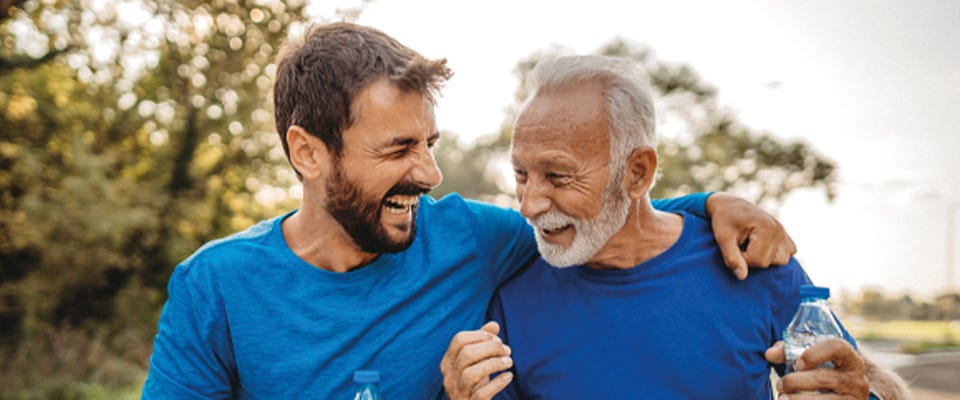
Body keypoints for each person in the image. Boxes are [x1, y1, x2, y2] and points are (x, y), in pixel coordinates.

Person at [141, 23, 798, 399]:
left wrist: (712, 207)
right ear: (308, 153)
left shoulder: (474, 239)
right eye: (398, 149)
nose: (427, 173)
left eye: (429, 145)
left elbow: (597, 218)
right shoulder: (217, 286)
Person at [440, 55, 911, 399]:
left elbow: (870, 383)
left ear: (638, 173)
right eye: (521, 174)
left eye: (558, 176)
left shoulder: (753, 262)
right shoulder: (512, 304)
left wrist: (865, 394)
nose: (529, 203)